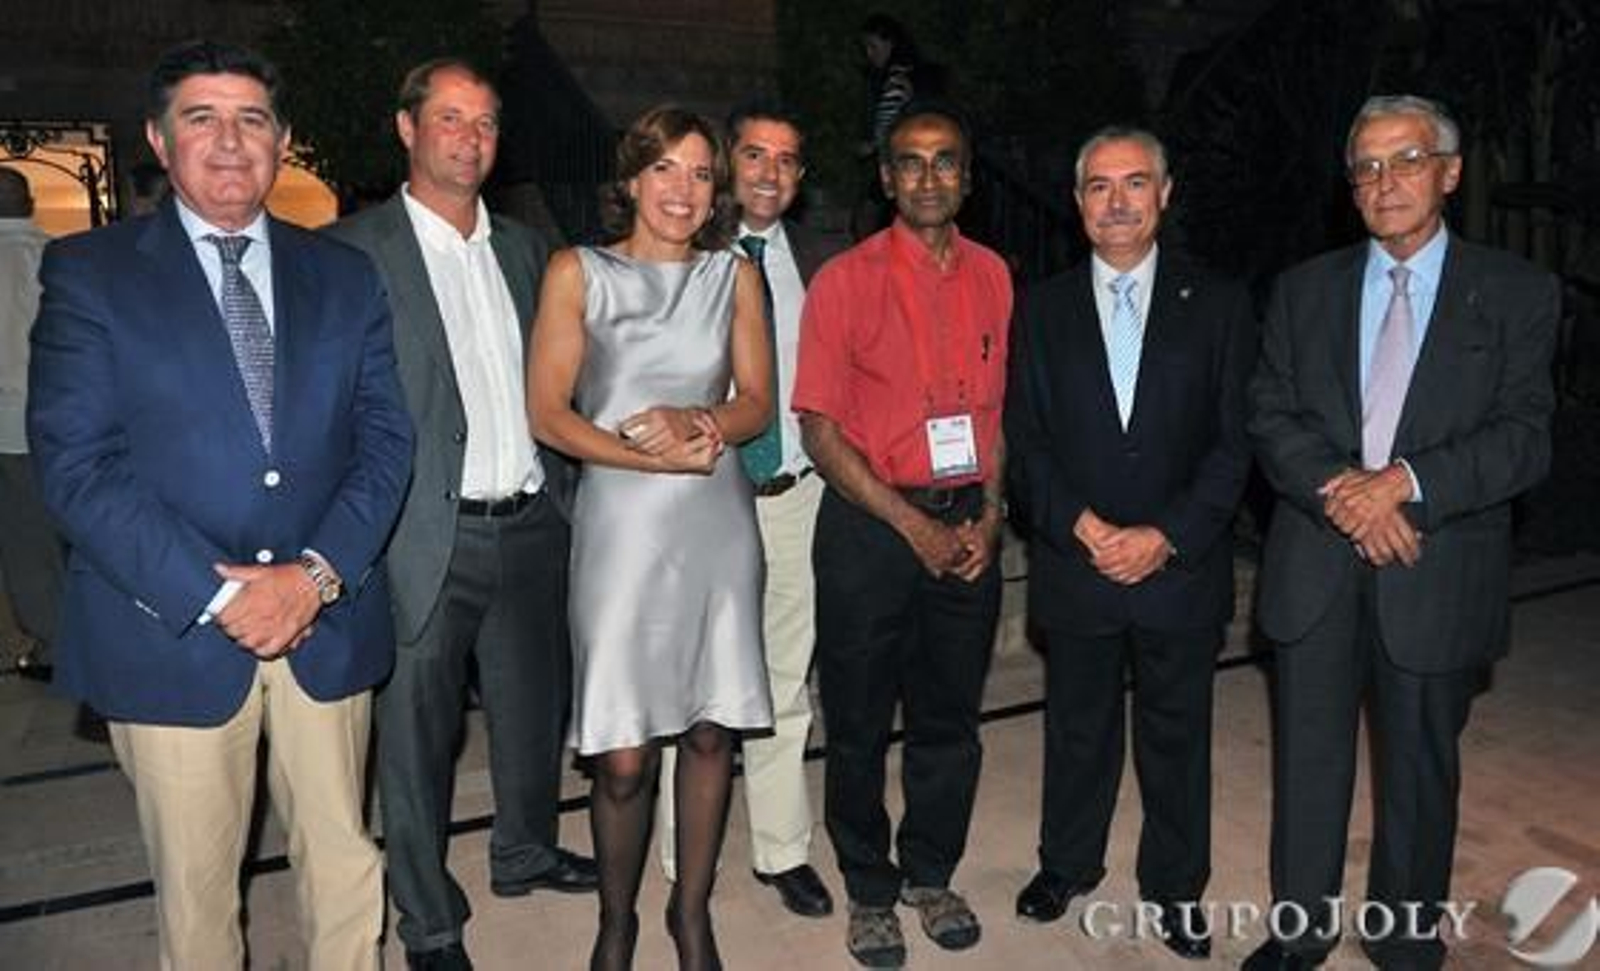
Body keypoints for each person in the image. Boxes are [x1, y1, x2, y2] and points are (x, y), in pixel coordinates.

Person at [25, 40, 413, 970]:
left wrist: (314, 578)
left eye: (252, 119)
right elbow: (77, 465)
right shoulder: (90, 273)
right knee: (198, 893)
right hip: (173, 628)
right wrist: (225, 595)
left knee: (347, 861)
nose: (230, 141)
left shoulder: (346, 275)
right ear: (161, 140)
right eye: (203, 118)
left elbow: (385, 441)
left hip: (325, 621)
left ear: (282, 143)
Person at [1245, 94, 1559, 971]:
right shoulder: (1303, 289)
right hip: (1316, 561)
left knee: (1420, 773)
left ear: (1450, 174)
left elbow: (1525, 434)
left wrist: (1405, 489)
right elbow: (1270, 412)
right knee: (1308, 767)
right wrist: (1348, 492)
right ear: (1352, 187)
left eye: (1408, 160)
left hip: (1435, 564)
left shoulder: (1516, 293)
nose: (1386, 182)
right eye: (1368, 168)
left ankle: (1403, 935)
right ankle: (1298, 930)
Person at [325, 58, 595, 971]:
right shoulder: (353, 250)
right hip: (419, 535)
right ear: (407, 129)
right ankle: (431, 919)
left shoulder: (524, 248)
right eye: (449, 118)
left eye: (484, 122)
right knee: (414, 737)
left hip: (529, 518)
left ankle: (523, 850)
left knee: (531, 709)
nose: (469, 138)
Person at [527, 105, 774, 971]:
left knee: (711, 731)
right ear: (630, 179)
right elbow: (548, 413)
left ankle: (691, 913)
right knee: (624, 754)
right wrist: (645, 457)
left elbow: (756, 404)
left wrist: (692, 418)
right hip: (622, 527)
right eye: (665, 168)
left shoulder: (733, 276)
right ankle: (616, 918)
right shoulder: (576, 271)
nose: (682, 189)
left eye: (701, 173)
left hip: (716, 522)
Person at [1005, 127, 1254, 961]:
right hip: (1077, 562)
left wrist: (1167, 535)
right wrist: (1082, 526)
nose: (1117, 202)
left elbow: (1235, 443)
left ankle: (1176, 888)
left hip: (1178, 568)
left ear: (1165, 194)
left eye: (1135, 183)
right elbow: (1025, 438)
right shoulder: (1039, 307)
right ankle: (1066, 863)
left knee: (1176, 733)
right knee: (1077, 726)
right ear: (1078, 203)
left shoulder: (1218, 303)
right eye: (1099, 186)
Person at [794, 101, 1012, 969]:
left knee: (951, 718)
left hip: (966, 524)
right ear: (886, 179)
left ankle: (931, 871)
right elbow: (818, 427)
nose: (928, 177)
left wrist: (992, 514)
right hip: (869, 528)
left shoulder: (997, 273)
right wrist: (910, 522)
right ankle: (870, 886)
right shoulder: (844, 280)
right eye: (910, 163)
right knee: (856, 721)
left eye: (945, 161)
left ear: (967, 175)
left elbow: (993, 416)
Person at [652, 99, 840, 920]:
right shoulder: (678, 256)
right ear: (729, 163)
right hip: (703, 501)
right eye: (755, 154)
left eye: (787, 158)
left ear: (800, 180)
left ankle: (781, 849)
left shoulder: (825, 265)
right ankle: (668, 852)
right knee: (688, 685)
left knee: (784, 683)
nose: (770, 172)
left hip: (796, 497)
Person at [0, 165, 62, 679]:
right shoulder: (59, 256)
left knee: (25, 541)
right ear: (32, 201)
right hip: (61, 419)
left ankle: (51, 645)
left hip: (8, 426)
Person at [852, 13, 920, 239]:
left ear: (890, 43)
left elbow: (888, 121)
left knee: (865, 219)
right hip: (906, 158)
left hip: (899, 159)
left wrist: (870, 145)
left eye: (873, 46)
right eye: (866, 48)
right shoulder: (911, 72)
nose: (870, 54)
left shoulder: (896, 78)